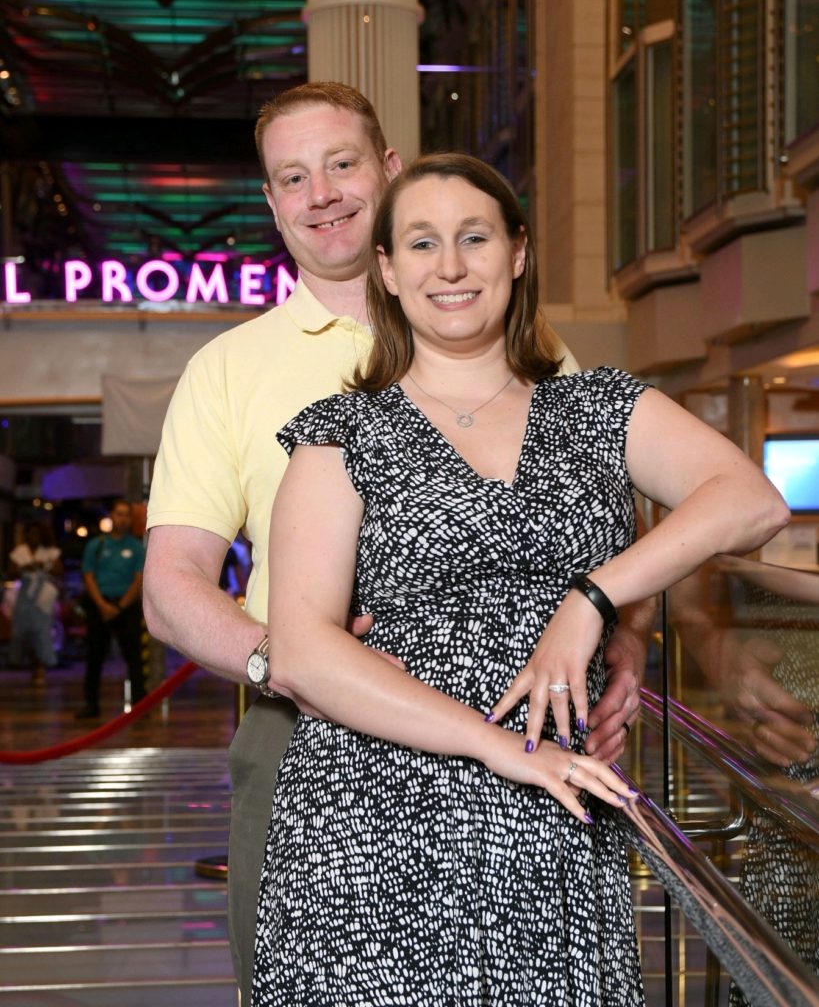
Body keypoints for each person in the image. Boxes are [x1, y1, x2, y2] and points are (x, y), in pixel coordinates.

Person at [143, 82, 649, 1005]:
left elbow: (608, 517)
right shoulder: (226, 370)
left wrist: (626, 634)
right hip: (308, 742)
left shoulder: (520, 341)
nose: (321, 193)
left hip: (519, 731)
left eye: (341, 164)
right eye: (292, 178)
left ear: (388, 169)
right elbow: (171, 586)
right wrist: (288, 662)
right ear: (271, 202)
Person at [253, 152, 790, 1005]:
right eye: (421, 245)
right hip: (372, 820)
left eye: (474, 237)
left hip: (551, 819)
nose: (452, 266)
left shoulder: (599, 407)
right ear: (387, 272)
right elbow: (302, 653)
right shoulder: (339, 434)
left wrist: (593, 602)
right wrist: (498, 746)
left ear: (518, 252)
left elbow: (749, 502)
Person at [76, 499, 146, 719]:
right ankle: (91, 705)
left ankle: (140, 706)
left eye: (127, 515)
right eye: (119, 514)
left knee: (134, 658)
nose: (122, 519)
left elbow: (139, 578)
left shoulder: (136, 547)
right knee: (94, 657)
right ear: (111, 516)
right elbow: (88, 575)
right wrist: (102, 605)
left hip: (126, 607)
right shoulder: (96, 545)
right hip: (100, 606)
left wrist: (120, 606)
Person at [7, 521, 63, 686]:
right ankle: (22, 661)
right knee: (21, 631)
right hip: (25, 597)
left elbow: (59, 571)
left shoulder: (50, 552)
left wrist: (44, 566)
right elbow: (11, 571)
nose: (33, 538)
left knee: (41, 632)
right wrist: (24, 568)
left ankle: (41, 666)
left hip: (43, 598)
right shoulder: (20, 551)